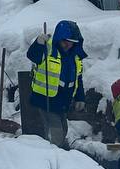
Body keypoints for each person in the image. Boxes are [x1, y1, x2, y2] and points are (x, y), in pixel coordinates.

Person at [26, 20, 85, 148]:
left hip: (63, 100)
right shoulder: (48, 49)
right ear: (59, 38)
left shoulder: (74, 57)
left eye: (72, 42)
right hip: (46, 99)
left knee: (63, 129)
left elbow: (78, 79)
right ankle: (52, 154)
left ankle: (58, 152)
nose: (68, 45)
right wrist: (38, 43)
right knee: (56, 132)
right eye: (65, 41)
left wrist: (80, 98)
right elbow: (33, 56)